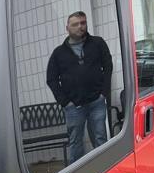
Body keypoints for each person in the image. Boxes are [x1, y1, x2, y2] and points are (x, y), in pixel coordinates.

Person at [47, 11, 113, 164]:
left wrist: (104, 93)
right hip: (74, 107)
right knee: (76, 144)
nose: (80, 27)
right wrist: (65, 102)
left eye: (83, 23)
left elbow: (108, 66)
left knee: (100, 139)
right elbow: (51, 79)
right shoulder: (59, 53)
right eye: (75, 24)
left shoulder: (98, 43)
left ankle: (103, 171)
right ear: (67, 28)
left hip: (96, 102)